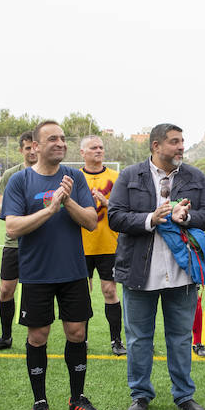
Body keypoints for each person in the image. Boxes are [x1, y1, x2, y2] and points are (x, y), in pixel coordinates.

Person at [109, 123, 205, 410]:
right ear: (156, 146)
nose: (181, 146)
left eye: (182, 141)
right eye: (174, 142)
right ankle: (140, 395)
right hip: (138, 271)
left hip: (182, 272)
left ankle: (184, 396)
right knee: (138, 338)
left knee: (180, 337)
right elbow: (115, 217)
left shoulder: (194, 176)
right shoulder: (131, 175)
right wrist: (150, 218)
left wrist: (187, 216)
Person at [2, 121, 100, 410]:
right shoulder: (19, 181)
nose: (60, 143)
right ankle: (40, 401)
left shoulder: (74, 178)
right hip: (36, 274)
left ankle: (77, 397)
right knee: (38, 337)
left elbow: (91, 221)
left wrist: (67, 200)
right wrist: (50, 208)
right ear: (35, 146)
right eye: (52, 139)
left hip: (72, 271)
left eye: (62, 138)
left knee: (77, 332)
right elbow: (12, 227)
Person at [0, 132, 37, 352]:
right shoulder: (11, 174)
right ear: (21, 150)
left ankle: (33, 338)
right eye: (27, 148)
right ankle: (6, 337)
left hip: (39, 243)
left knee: (35, 291)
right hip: (14, 242)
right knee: (6, 289)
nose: (32, 151)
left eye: (35, 147)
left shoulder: (49, 173)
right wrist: (15, 211)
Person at [79, 134, 125, 356]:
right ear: (82, 153)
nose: (98, 150)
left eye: (101, 147)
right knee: (81, 294)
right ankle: (82, 339)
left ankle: (116, 340)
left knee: (109, 291)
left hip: (108, 244)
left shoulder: (116, 177)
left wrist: (109, 203)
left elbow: (125, 210)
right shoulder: (74, 178)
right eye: (93, 147)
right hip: (80, 246)